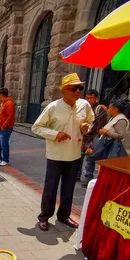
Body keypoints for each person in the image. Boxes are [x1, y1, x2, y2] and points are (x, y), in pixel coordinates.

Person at [32, 73, 94, 231]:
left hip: (74, 154)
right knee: (51, 187)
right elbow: (36, 127)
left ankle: (64, 215)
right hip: (56, 155)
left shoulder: (84, 105)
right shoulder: (53, 107)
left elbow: (91, 122)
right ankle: (44, 217)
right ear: (65, 90)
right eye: (75, 88)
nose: (78, 91)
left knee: (69, 188)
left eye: (80, 88)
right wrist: (55, 134)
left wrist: (87, 127)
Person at [83, 96, 130, 186]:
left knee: (101, 162)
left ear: (115, 109)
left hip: (110, 146)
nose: (108, 109)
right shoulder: (114, 117)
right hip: (104, 143)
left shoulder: (121, 120)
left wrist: (106, 132)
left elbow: (121, 136)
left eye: (109, 107)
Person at [79, 89, 107, 183]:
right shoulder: (84, 108)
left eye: (91, 98)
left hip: (92, 138)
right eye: (87, 98)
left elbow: (100, 126)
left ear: (96, 98)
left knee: (90, 159)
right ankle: (77, 175)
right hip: (83, 137)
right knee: (79, 157)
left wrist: (94, 140)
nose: (89, 100)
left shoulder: (99, 109)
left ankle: (87, 178)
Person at [0, 88, 15, 166]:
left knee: (4, 143)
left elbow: (10, 117)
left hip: (5, 127)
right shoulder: (3, 103)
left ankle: (5, 159)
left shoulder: (9, 103)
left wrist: (4, 126)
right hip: (0, 126)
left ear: (1, 95)